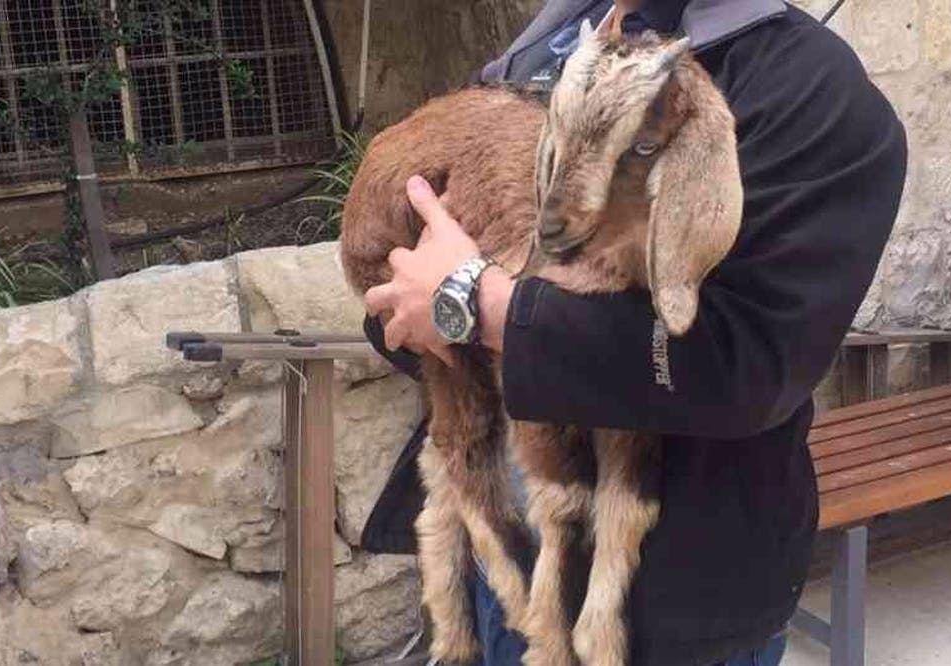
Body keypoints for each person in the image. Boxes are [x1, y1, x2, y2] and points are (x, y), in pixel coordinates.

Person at [362, 1, 908, 664]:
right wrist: (411, 296)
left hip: (666, 606)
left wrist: (481, 304)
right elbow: (428, 264)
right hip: (502, 565)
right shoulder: (559, 38)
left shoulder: (810, 92)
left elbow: (751, 365)